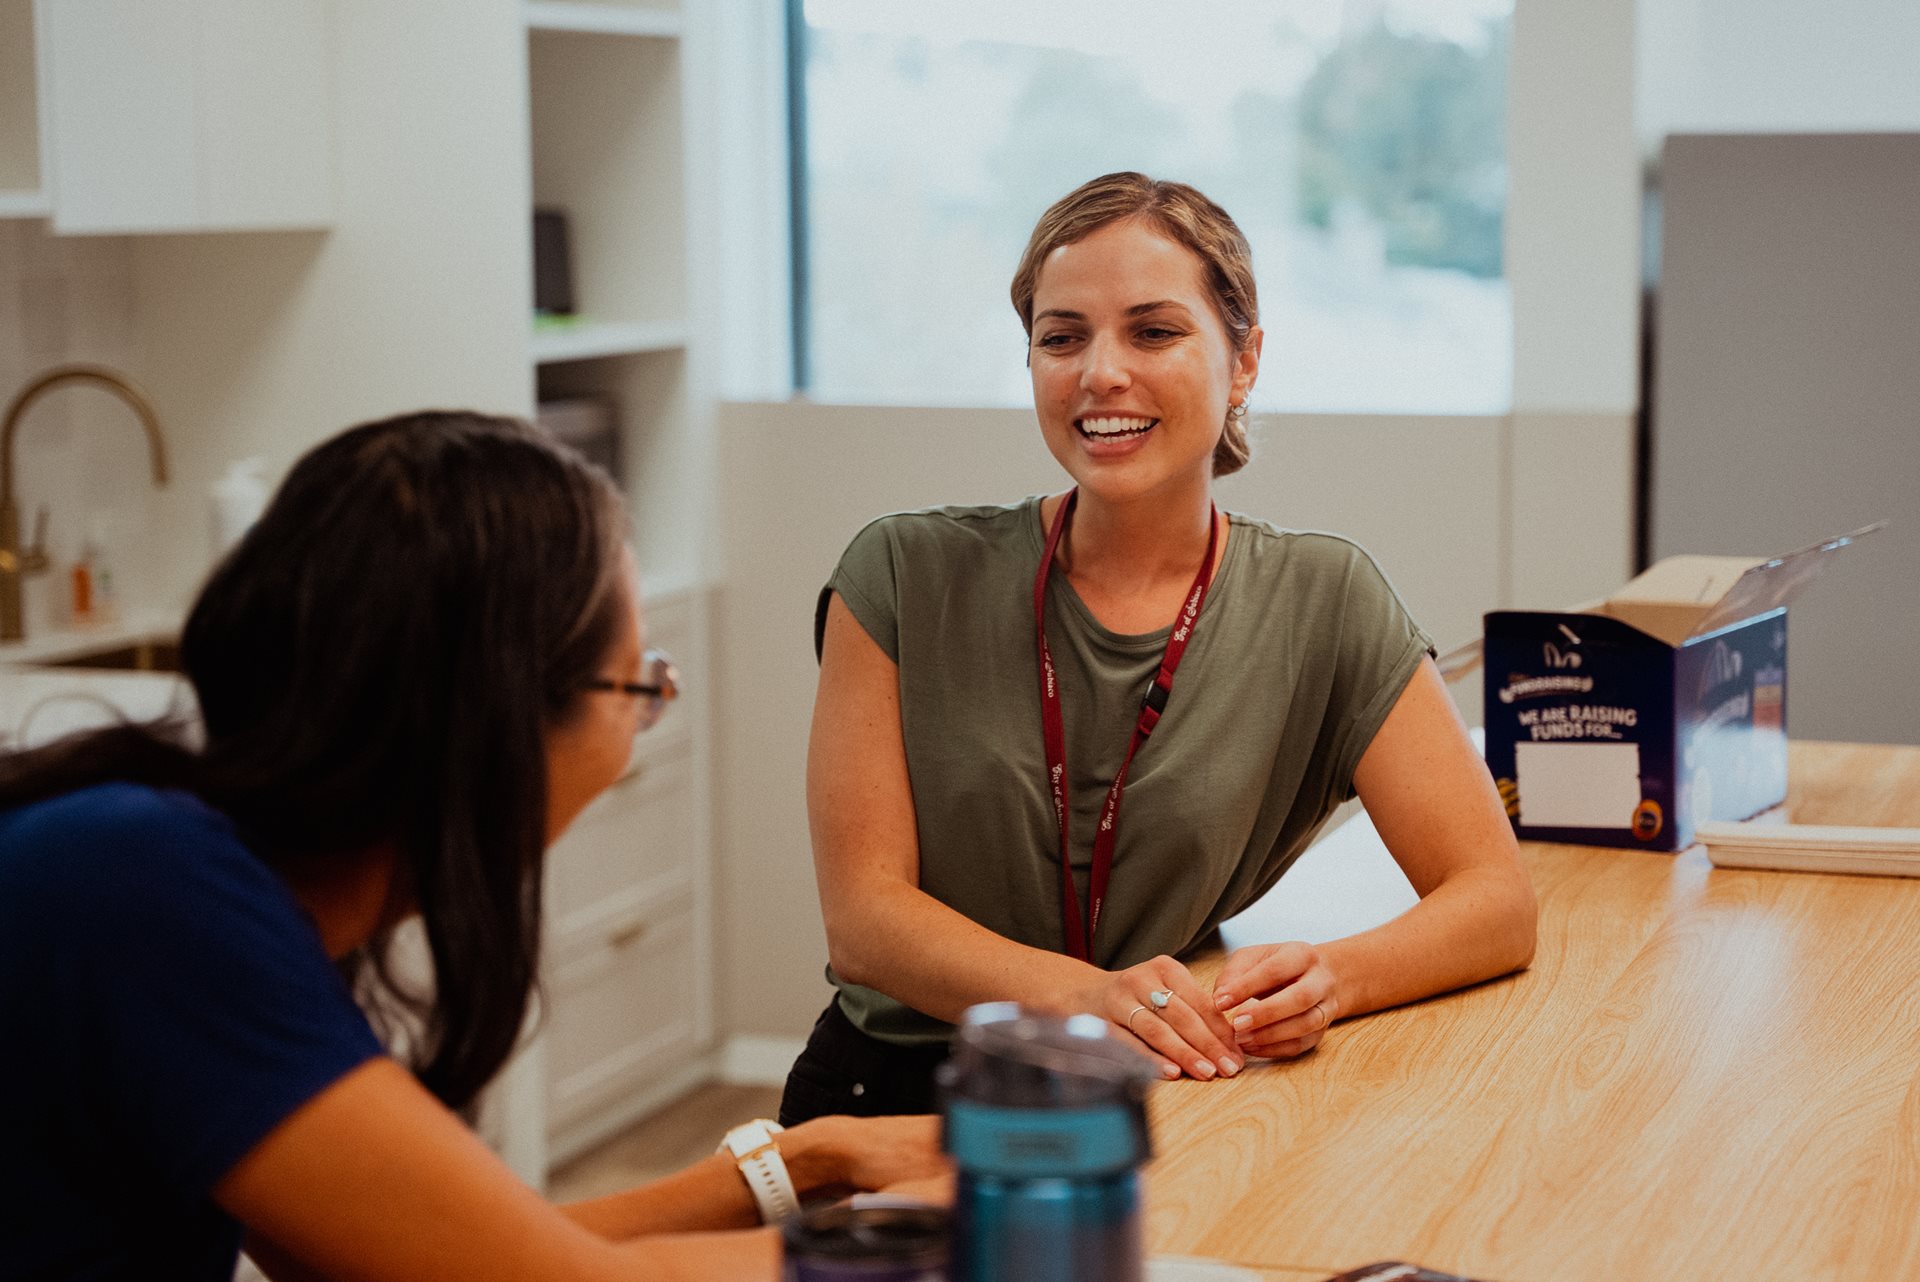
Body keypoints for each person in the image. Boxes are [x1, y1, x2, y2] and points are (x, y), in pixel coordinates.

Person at [0, 412, 942, 1282]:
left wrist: (811, 1162)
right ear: (498, 719)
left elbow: (427, 1253)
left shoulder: (167, 861)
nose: (644, 721)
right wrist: (955, 1231)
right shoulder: (154, 896)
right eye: (637, 688)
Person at [783, 172, 1537, 1125]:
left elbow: (1496, 901)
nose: (1101, 372)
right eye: (1062, 338)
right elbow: (864, 925)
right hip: (898, 1091)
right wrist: (1087, 998)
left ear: (1245, 360)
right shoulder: (900, 573)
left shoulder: (1325, 600)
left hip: (1166, 1099)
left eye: (1153, 331)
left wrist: (1335, 977)